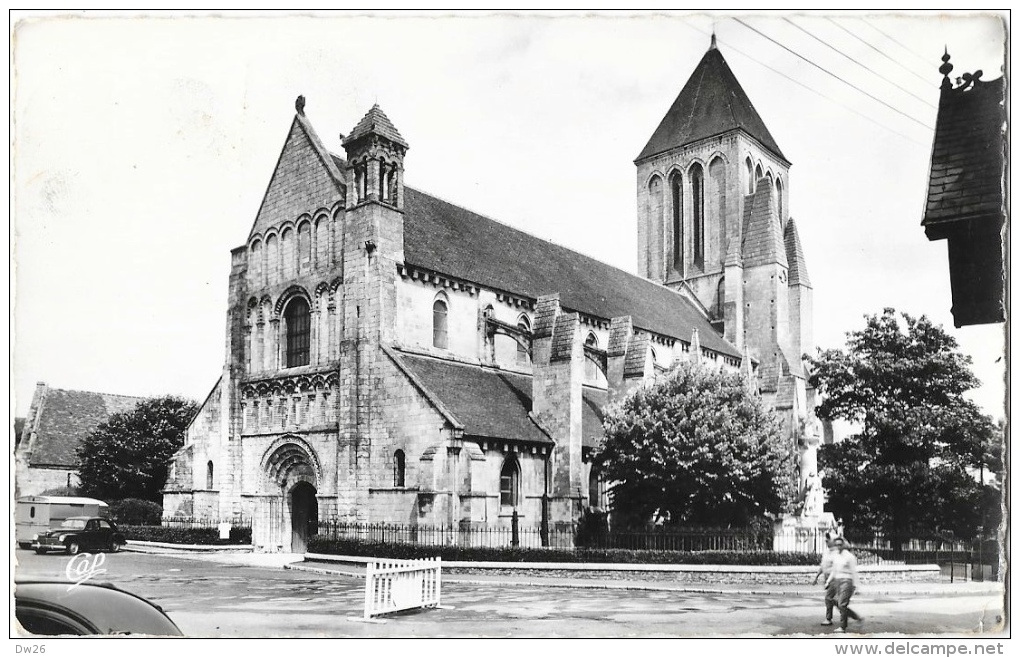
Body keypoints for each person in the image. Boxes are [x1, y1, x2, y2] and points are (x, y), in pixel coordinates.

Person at [826, 536, 863, 633]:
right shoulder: (836, 556)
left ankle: (843, 627)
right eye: (836, 545)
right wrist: (828, 581)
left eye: (840, 544)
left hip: (847, 581)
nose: (838, 546)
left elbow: (854, 572)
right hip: (837, 581)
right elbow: (834, 570)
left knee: (841, 604)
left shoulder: (849, 557)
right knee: (837, 602)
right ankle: (857, 617)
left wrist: (857, 586)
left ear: (844, 545)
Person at [812, 533, 837, 626]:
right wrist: (816, 577)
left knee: (828, 598)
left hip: (835, 579)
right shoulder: (826, 552)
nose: (826, 542)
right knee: (835, 601)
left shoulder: (837, 553)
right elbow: (823, 566)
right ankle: (849, 615)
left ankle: (828, 619)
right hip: (827, 579)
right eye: (825, 540)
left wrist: (828, 581)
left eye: (828, 540)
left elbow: (836, 568)